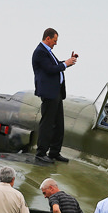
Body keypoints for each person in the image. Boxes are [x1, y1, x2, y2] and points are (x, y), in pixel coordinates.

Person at [32, 27, 78, 163]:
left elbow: (56, 65)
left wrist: (68, 62)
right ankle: (41, 153)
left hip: (56, 92)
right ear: (48, 38)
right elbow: (50, 69)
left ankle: (54, 152)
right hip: (49, 93)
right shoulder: (40, 52)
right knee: (47, 124)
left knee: (59, 124)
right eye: (54, 40)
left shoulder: (48, 52)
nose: (55, 43)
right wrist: (65, 64)